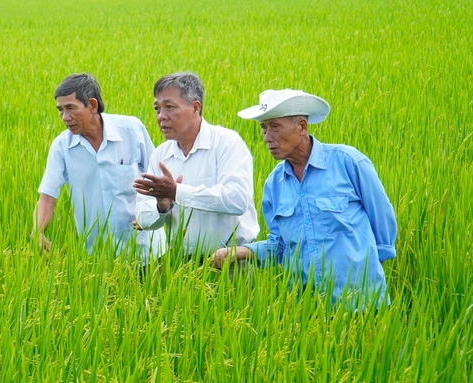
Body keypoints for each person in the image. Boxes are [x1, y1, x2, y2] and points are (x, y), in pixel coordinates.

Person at [211, 88, 397, 307]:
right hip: (306, 308)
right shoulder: (274, 184)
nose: (267, 137)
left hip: (361, 304)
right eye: (263, 128)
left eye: (275, 127)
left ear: (301, 126)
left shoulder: (348, 162)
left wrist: (368, 278)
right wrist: (240, 251)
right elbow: (281, 247)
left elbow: (383, 224)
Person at [35, 73, 164, 264]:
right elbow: (47, 198)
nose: (64, 117)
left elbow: (157, 177)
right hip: (97, 254)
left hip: (144, 248)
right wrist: (37, 231)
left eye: (71, 108)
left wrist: (150, 209)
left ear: (93, 105)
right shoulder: (62, 146)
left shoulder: (131, 130)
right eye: (60, 110)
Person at [133, 72, 259, 260]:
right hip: (181, 262)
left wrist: (177, 192)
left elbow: (237, 199)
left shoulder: (227, 143)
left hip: (230, 261)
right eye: (157, 109)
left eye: (169, 107)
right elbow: (143, 218)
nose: (161, 116)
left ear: (195, 107)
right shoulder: (161, 155)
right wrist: (162, 205)